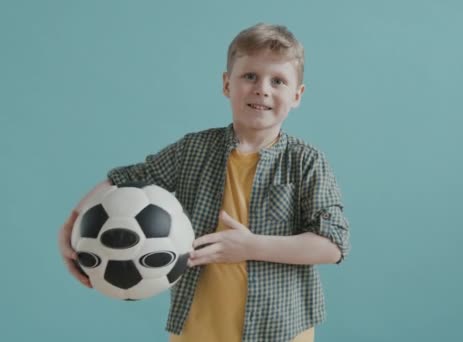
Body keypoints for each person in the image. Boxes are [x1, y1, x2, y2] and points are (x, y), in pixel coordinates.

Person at [58, 23, 350, 342]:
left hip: (280, 330)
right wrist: (73, 223)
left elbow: (332, 244)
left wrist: (250, 246)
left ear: (297, 95)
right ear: (227, 84)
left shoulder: (306, 161)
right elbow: (124, 178)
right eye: (249, 76)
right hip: (198, 329)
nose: (262, 89)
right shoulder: (193, 150)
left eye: (277, 81)